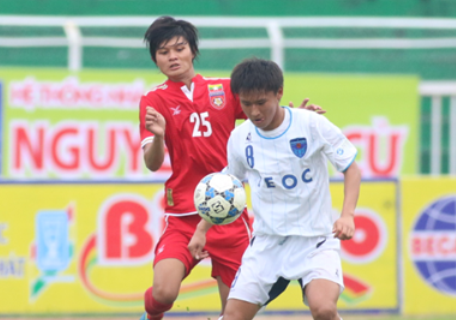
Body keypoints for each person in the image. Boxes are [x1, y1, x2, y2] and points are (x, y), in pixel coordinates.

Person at [139, 17, 325, 320]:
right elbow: (152, 162)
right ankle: (151, 315)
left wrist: (296, 119)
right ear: (155, 60)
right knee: (163, 293)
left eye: (179, 48)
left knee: (235, 314)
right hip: (184, 215)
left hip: (229, 215)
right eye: (163, 52)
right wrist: (159, 136)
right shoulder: (153, 99)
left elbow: (265, 115)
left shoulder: (223, 89)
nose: (172, 56)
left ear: (193, 51)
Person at [188, 58, 361, 320]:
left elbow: (351, 168)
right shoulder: (240, 138)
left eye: (261, 103)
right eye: (246, 104)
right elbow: (227, 188)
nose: (254, 111)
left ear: (279, 93)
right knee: (232, 316)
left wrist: (347, 215)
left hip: (314, 240)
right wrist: (201, 230)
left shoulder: (311, 124)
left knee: (324, 309)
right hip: (267, 244)